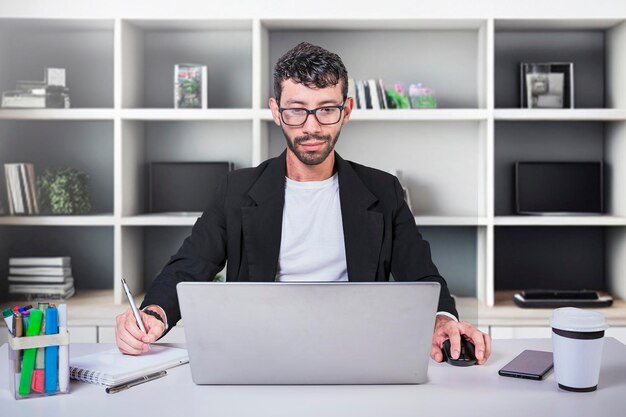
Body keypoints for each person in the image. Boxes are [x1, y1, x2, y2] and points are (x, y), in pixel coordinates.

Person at [115, 42, 491, 365]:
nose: (311, 127)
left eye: (326, 109)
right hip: (258, 353)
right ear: (276, 111)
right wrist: (152, 314)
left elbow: (422, 275)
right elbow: (189, 266)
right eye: (297, 109)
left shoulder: (384, 190)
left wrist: (443, 320)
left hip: (359, 353)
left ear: (346, 110)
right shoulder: (236, 189)